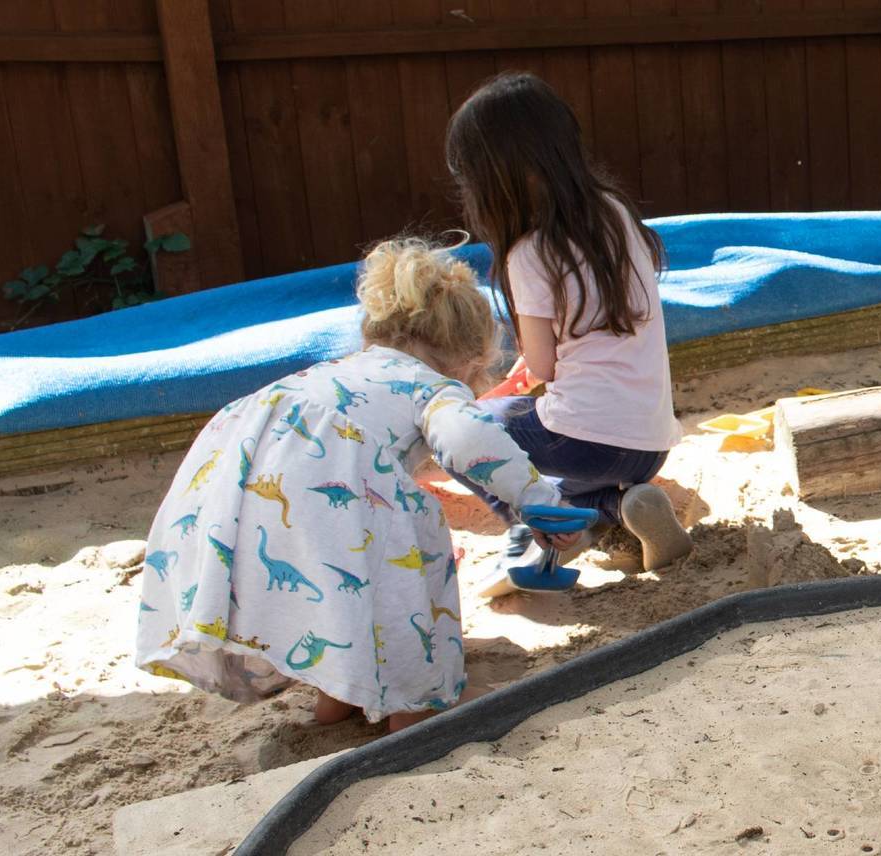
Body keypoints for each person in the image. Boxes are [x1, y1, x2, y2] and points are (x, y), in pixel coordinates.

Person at [133, 237, 580, 731]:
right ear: (465, 359)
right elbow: (467, 437)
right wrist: (537, 500)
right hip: (320, 491)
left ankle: (335, 700)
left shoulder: (334, 372)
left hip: (233, 487)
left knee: (336, 579)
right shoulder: (429, 384)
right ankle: (415, 708)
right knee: (403, 549)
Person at [445, 71, 692, 583]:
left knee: (460, 434)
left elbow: (542, 365)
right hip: (650, 444)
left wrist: (526, 376)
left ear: (493, 179)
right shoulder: (616, 214)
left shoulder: (529, 251)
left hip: (585, 441)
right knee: (541, 436)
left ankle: (551, 526)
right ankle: (622, 509)